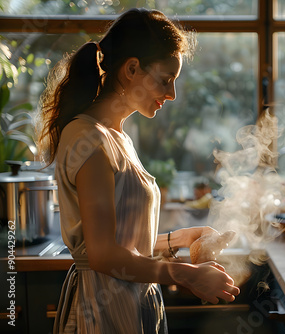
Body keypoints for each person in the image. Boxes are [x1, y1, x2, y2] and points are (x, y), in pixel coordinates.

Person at [36, 8, 240, 333]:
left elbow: (123, 241)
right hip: (102, 308)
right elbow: (102, 254)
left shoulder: (117, 137)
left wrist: (185, 237)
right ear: (132, 68)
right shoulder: (88, 138)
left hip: (130, 301)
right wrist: (186, 274)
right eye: (165, 80)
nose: (171, 94)